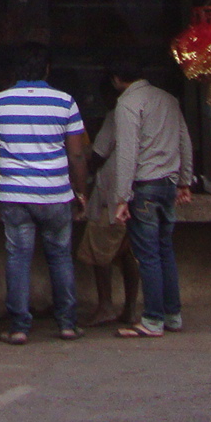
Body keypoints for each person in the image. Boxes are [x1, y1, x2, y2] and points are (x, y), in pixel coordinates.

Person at [0, 45, 87, 343]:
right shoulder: (65, 102)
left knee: (17, 258)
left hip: (14, 196)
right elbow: (77, 156)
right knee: (61, 257)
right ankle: (67, 324)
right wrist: (80, 192)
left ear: (15, 71)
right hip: (55, 194)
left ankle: (18, 328)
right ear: (47, 69)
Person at [104, 61, 194, 339]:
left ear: (116, 78)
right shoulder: (168, 99)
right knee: (165, 250)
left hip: (144, 187)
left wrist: (122, 197)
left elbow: (127, 153)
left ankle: (153, 319)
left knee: (148, 255)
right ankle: (172, 315)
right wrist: (185, 181)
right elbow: (185, 142)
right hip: (167, 184)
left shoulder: (128, 103)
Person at [75, 124, 141, 328]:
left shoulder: (117, 115)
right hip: (136, 192)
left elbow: (97, 155)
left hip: (113, 197)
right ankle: (130, 307)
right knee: (128, 253)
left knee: (99, 249)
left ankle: (106, 305)